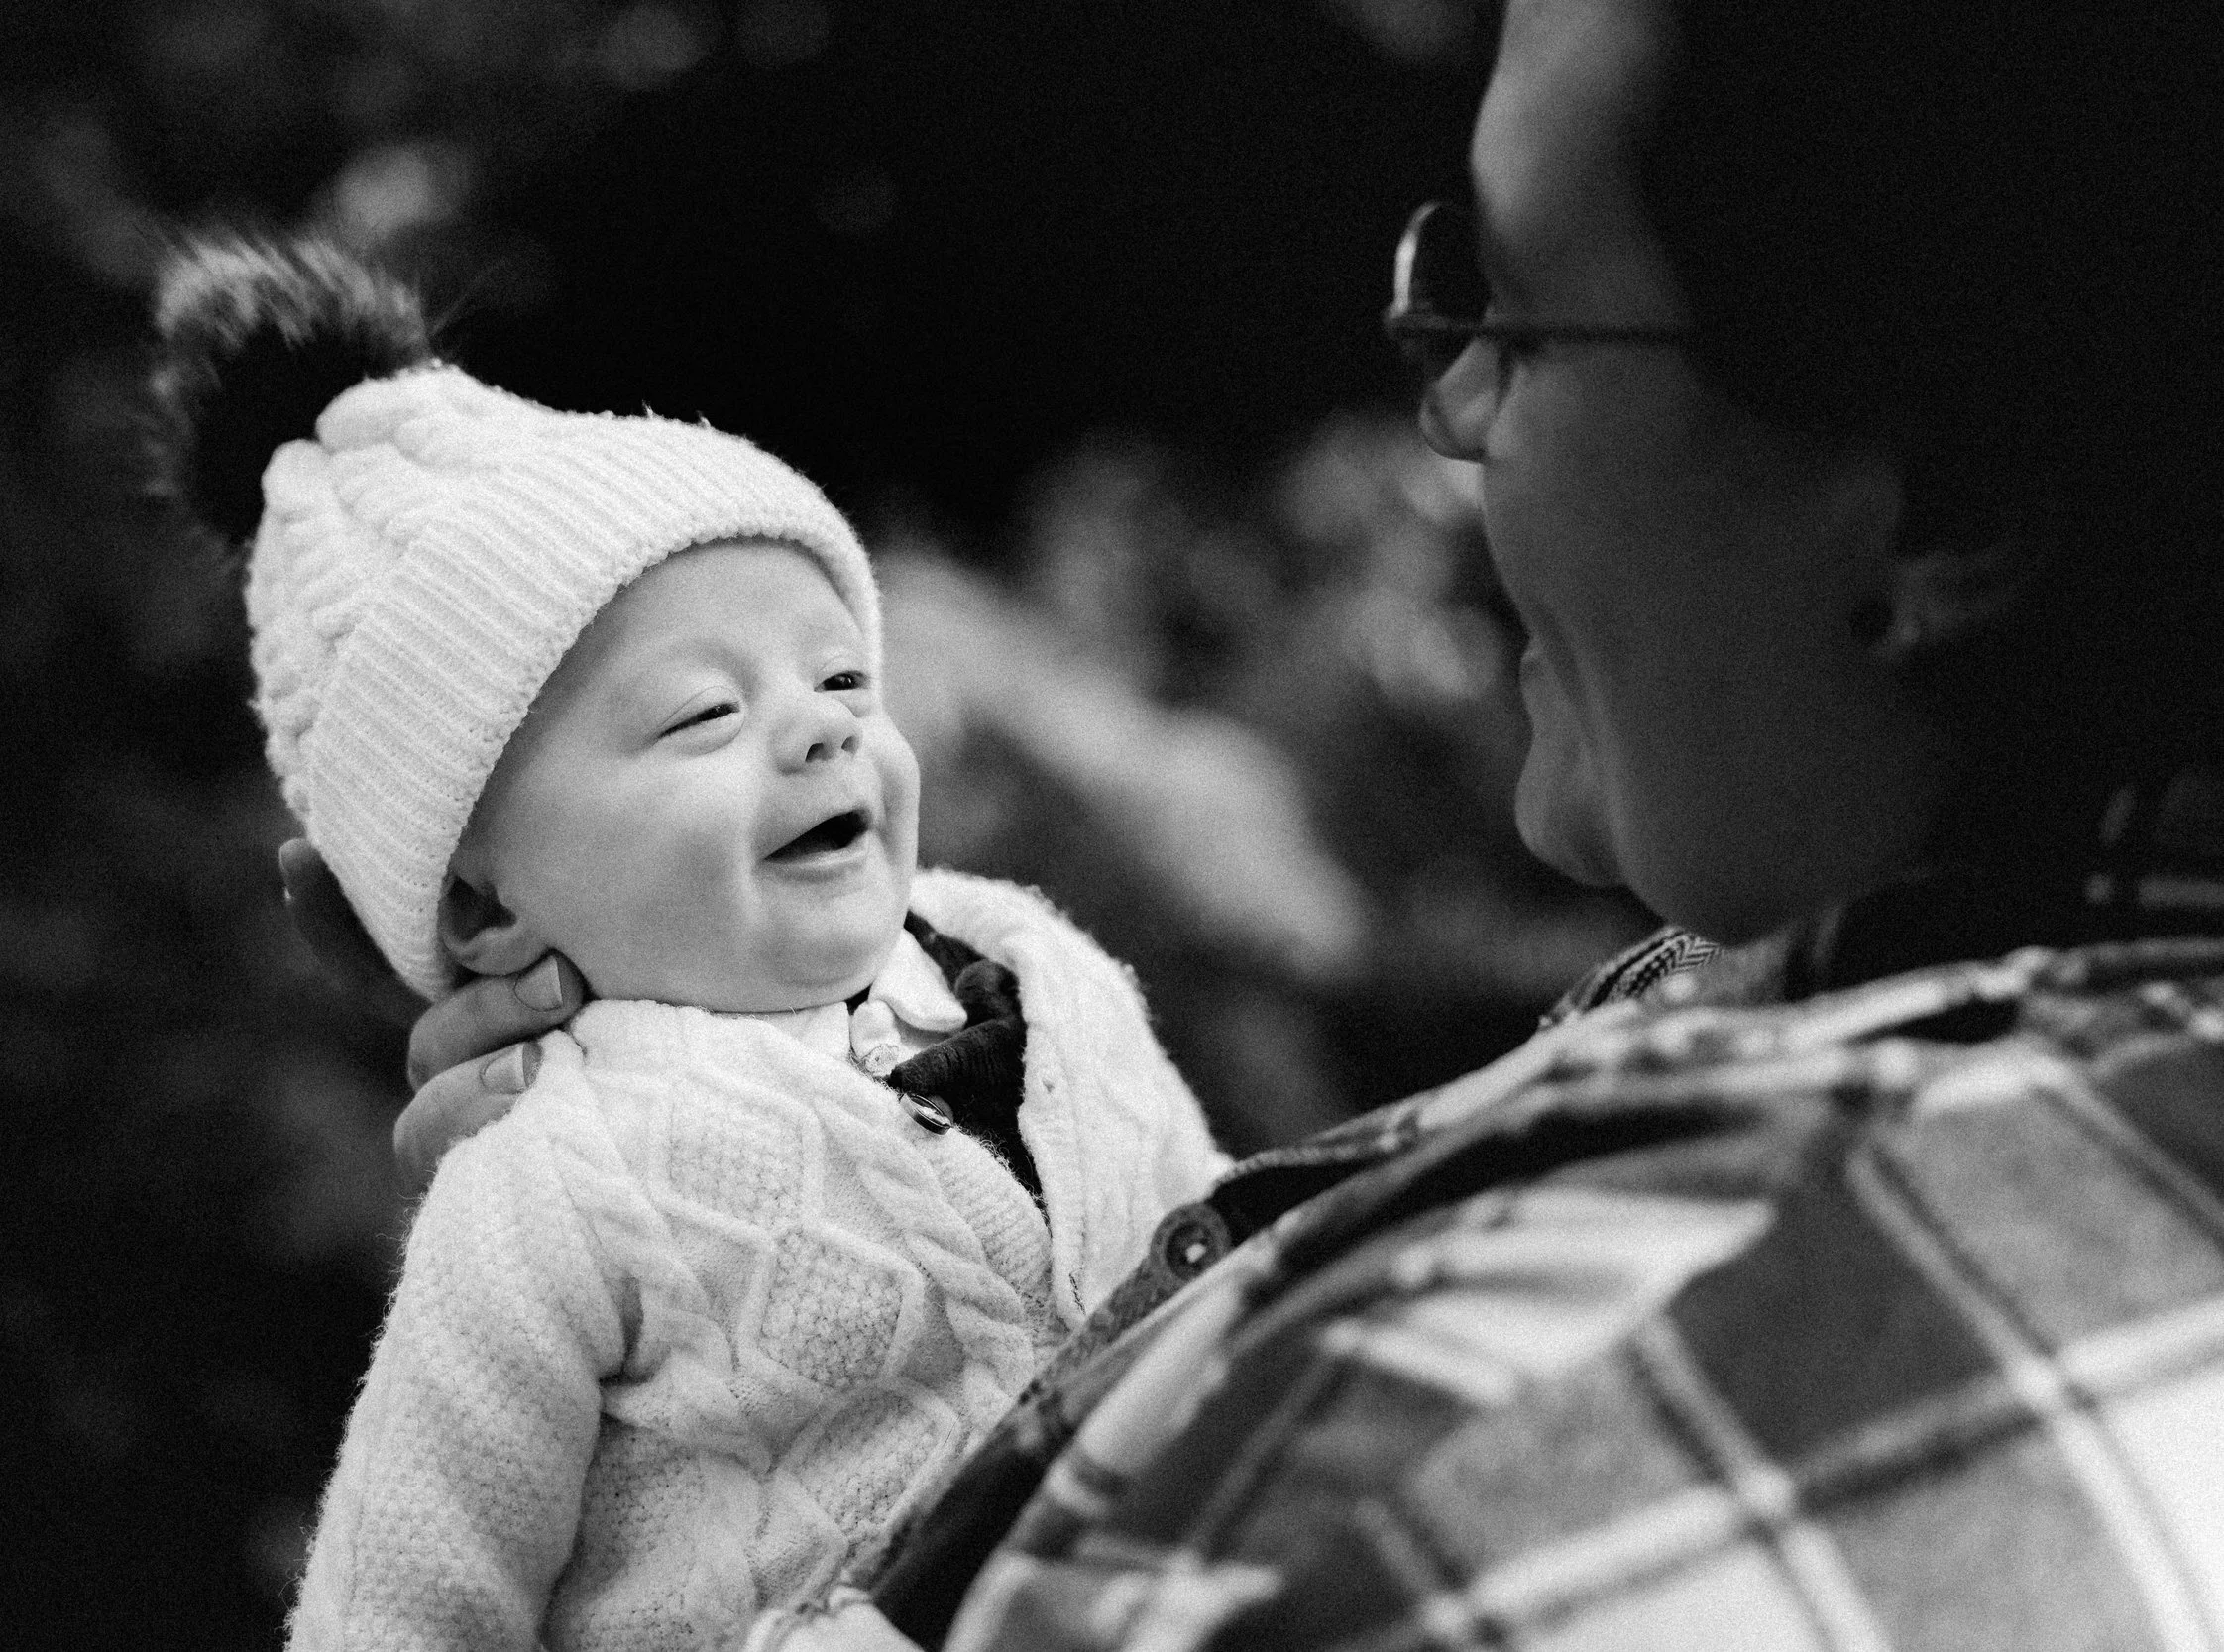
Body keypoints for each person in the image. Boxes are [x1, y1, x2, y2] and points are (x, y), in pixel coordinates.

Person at [330, 0, 2224, 1642]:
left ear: (1950, 510)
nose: (1445, 413)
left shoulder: (1425, 1485)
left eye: (1520, 315)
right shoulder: (1890, 1029)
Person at [151, 239, 1225, 1651]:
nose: (825, 724)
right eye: (702, 716)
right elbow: (398, 1607)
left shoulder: (1048, 976)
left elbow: (1246, 1265)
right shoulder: (552, 1186)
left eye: (844, 676)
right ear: (486, 910)